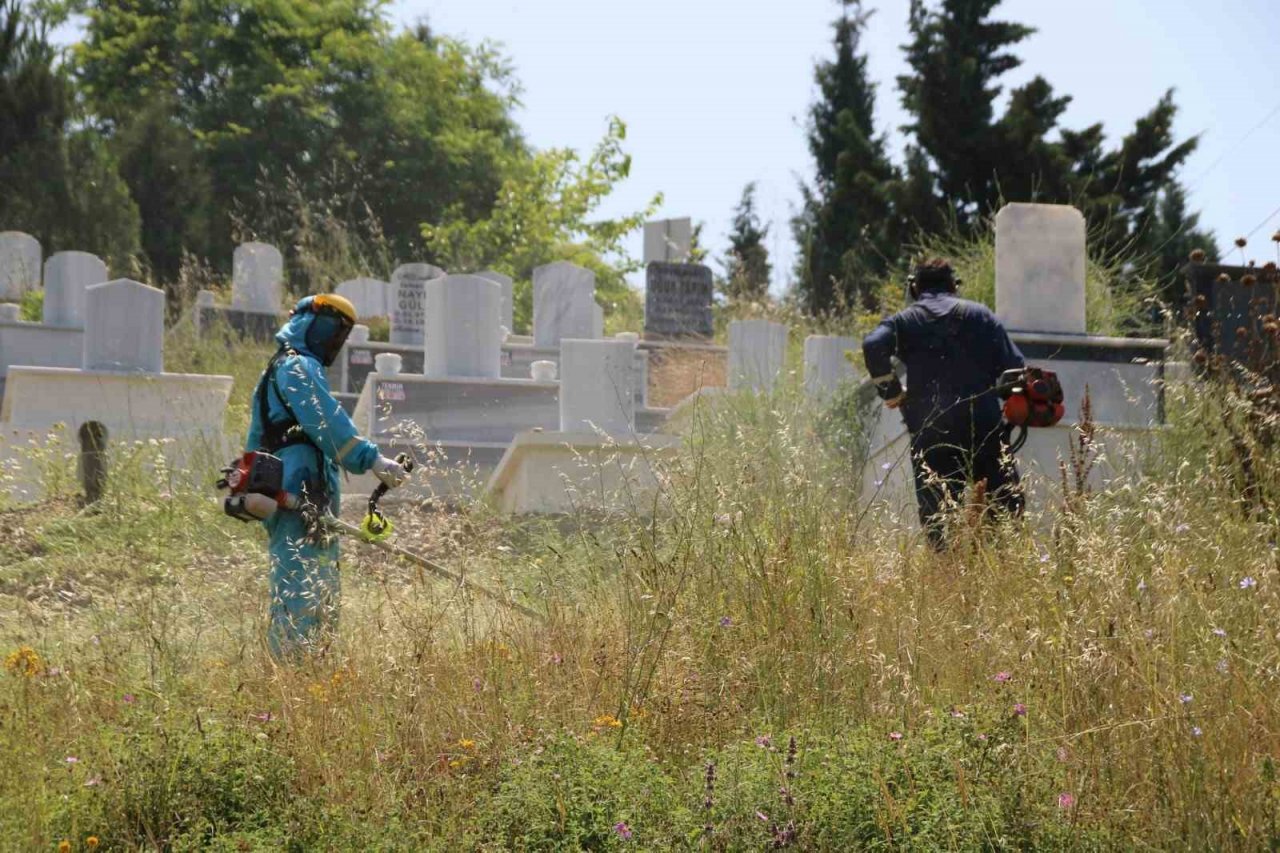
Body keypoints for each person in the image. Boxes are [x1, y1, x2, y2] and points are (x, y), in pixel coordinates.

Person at [246, 294, 411, 658]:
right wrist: (373, 460)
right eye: (334, 328)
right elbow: (326, 421)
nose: (335, 340)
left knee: (319, 591)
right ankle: (293, 677)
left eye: (342, 333)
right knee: (301, 593)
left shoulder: (283, 369)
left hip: (305, 494)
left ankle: (313, 675)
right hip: (295, 495)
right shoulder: (296, 366)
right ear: (312, 321)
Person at [862, 259, 1025, 550]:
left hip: (932, 432)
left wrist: (892, 392)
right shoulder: (981, 316)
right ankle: (996, 576)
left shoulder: (905, 321)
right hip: (984, 430)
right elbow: (1014, 368)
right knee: (1005, 515)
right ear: (954, 286)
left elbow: (873, 345)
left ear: (914, 287)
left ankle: (945, 577)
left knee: (938, 520)